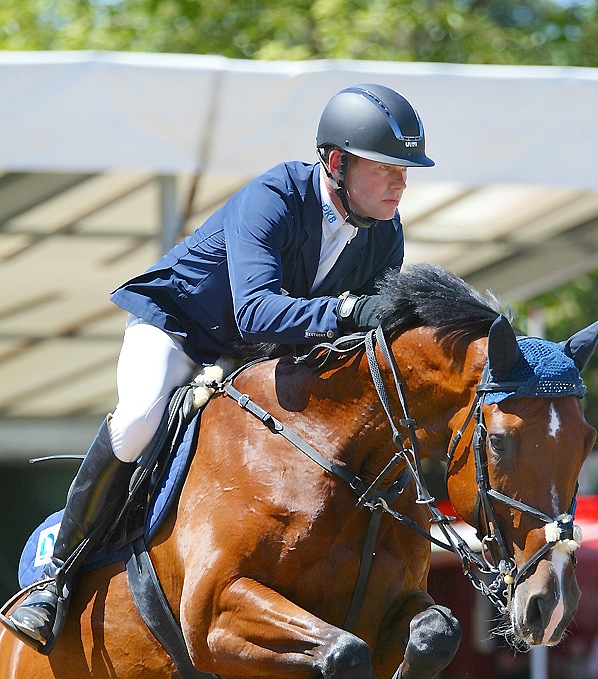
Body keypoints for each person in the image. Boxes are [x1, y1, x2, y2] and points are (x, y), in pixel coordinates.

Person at [9, 83, 434, 648]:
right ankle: (58, 577)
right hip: (180, 328)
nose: (400, 182)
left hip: (252, 357)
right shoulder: (276, 197)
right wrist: (350, 309)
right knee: (138, 420)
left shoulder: (385, 236)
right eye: (386, 167)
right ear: (337, 163)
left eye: (405, 170)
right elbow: (257, 312)